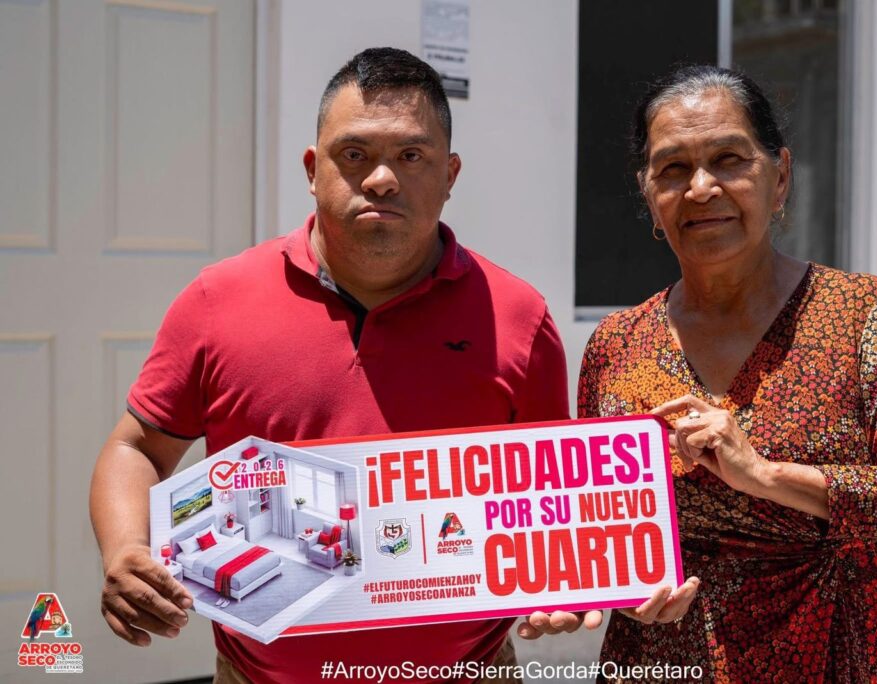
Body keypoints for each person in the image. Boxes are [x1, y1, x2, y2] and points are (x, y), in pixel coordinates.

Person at [89, 47, 570, 684]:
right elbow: (137, 448)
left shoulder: (518, 319)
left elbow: (553, 494)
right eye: (355, 154)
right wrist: (125, 547)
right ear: (313, 170)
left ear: (450, 174)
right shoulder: (217, 302)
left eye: (412, 156)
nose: (382, 179)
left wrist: (564, 580)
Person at [572, 65, 877, 681]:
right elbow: (595, 524)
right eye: (673, 168)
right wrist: (618, 589)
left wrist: (765, 474)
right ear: (648, 193)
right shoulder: (616, 345)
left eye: (728, 160)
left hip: (837, 651)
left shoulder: (861, 312)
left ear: (779, 176)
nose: (701, 188)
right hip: (664, 657)